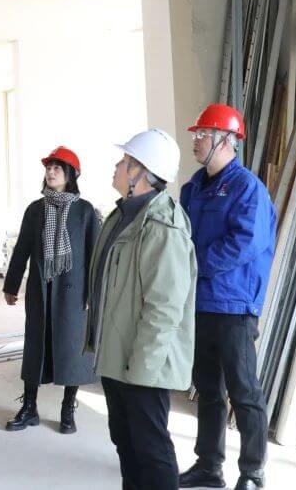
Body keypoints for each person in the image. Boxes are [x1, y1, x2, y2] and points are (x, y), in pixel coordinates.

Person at [85, 129, 196, 490]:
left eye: (124, 161)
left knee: (151, 448)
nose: (116, 167)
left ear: (141, 172)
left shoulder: (163, 226)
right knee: (125, 440)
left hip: (142, 362)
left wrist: (144, 368)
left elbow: (165, 307)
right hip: (118, 355)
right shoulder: (122, 216)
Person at [178, 105, 276, 490]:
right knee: (207, 390)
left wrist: (194, 264)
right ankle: (209, 466)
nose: (196, 141)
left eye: (203, 134)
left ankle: (252, 473)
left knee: (243, 391)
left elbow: (244, 243)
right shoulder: (192, 188)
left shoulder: (247, 189)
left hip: (234, 306)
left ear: (226, 141)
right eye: (196, 135)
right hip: (200, 303)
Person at [2, 146, 101, 434]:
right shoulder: (35, 209)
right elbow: (22, 248)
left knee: (72, 351)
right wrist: (11, 284)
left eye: (58, 167)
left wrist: (93, 294)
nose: (51, 171)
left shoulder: (85, 211)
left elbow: (95, 256)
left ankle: (68, 409)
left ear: (71, 175)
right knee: (35, 347)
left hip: (74, 294)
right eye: (48, 167)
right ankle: (29, 407)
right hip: (41, 290)